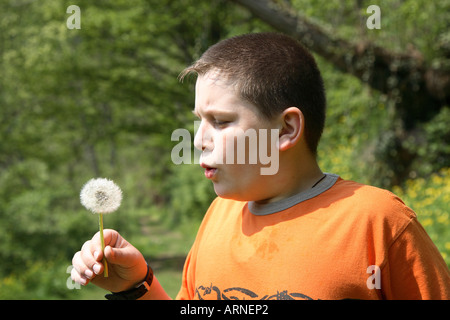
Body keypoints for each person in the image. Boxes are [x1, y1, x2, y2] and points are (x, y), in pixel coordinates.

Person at [71, 32, 450, 300]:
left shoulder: (378, 221)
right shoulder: (220, 213)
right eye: (198, 120)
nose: (199, 138)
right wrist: (135, 286)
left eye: (220, 121)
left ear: (286, 129)